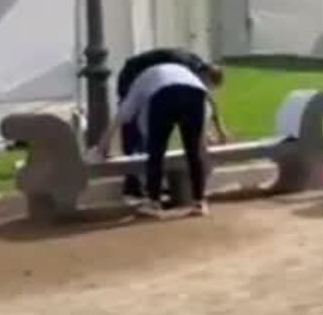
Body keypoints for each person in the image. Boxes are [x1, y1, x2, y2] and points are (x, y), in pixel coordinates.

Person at [89, 61, 228, 219]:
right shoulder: (189, 77)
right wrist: (209, 139)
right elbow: (205, 115)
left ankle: (153, 202)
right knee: (194, 151)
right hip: (195, 95)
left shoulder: (142, 82)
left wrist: (103, 146)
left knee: (156, 151)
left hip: (164, 95)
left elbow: (122, 115)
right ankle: (199, 202)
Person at [114, 48, 214, 198]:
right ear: (204, 75)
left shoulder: (193, 70)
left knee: (154, 139)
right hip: (132, 74)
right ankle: (133, 183)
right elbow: (124, 113)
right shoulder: (186, 69)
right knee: (133, 129)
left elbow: (205, 98)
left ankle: (150, 184)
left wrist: (219, 128)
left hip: (156, 83)